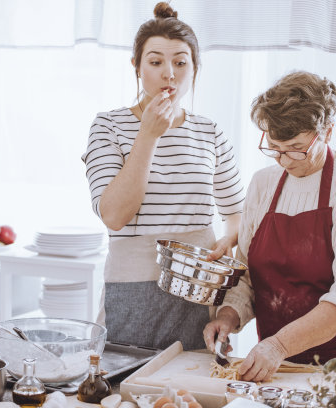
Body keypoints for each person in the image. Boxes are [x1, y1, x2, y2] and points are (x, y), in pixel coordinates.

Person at [82, 2, 245, 350]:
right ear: (137, 67)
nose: (169, 74)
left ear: (195, 68)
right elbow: (114, 214)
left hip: (200, 292)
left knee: (191, 396)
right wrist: (148, 135)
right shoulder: (108, 126)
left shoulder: (209, 131)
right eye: (155, 62)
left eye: (181, 62)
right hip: (132, 290)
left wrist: (227, 239)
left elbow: (235, 213)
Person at [203, 71, 336, 382]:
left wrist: (280, 344)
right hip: (279, 368)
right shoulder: (263, 184)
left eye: (296, 148)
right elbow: (246, 277)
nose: (283, 160)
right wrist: (228, 316)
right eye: (274, 147)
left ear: (327, 132)